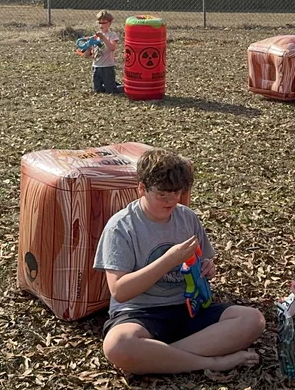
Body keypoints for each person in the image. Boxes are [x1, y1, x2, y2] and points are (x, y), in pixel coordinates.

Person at [94, 149, 265, 375]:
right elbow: (120, 291)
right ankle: (212, 362)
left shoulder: (186, 217)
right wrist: (168, 260)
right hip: (141, 313)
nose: (171, 201)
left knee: (253, 320)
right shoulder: (121, 227)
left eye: (176, 193)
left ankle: (159, 357)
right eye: (163, 195)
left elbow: (203, 260)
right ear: (142, 189)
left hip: (188, 307)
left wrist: (207, 268)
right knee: (118, 345)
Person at [91, 10, 123, 94]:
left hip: (107, 67)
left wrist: (103, 38)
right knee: (97, 90)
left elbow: (112, 48)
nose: (101, 25)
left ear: (110, 23)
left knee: (111, 91)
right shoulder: (96, 36)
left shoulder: (112, 35)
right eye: (99, 23)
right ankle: (111, 83)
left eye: (104, 23)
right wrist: (87, 46)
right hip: (96, 66)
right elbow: (89, 54)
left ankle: (123, 87)